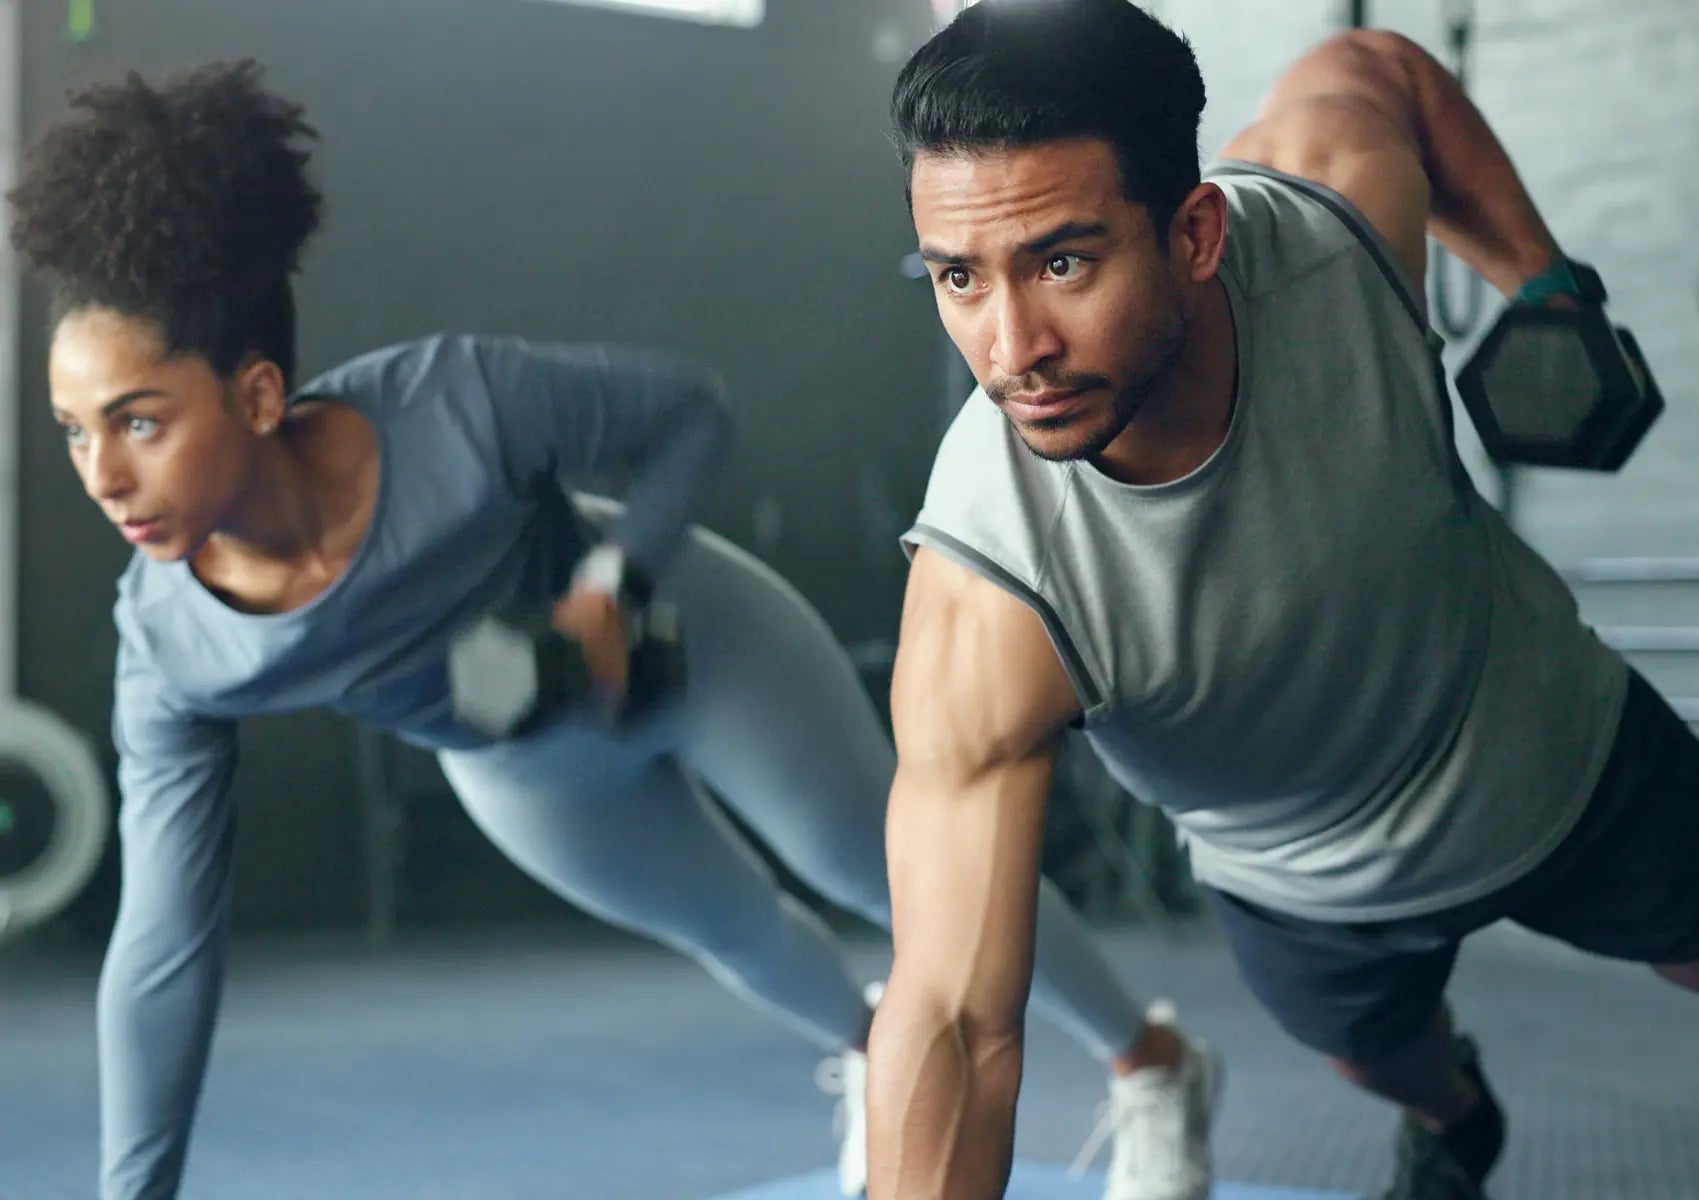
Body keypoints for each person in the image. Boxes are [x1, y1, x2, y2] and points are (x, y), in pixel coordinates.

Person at [6, 59, 1220, 1200]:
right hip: (518, 755)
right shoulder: (171, 650)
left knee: (908, 883)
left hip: (694, 644)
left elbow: (688, 417)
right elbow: (162, 948)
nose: (102, 474)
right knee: (736, 933)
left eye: (139, 422)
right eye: (72, 431)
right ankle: (884, 1057)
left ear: (258, 395)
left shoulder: (454, 403)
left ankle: (1150, 1062)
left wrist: (610, 577)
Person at [865, 3, 1699, 1199]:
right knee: (1388, 1068)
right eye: (959, 276)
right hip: (1300, 877)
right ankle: (1455, 1119)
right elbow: (947, 1019)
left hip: (1539, 735)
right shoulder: (992, 591)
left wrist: (1544, 287)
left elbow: (1383, 68)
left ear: (1196, 233)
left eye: (1062, 261)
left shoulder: (1333, 221)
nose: (1012, 348)